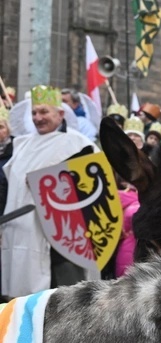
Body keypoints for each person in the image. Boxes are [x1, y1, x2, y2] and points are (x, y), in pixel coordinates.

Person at [1, 85, 98, 297]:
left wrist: (49, 179)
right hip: (21, 232)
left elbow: (89, 184)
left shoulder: (78, 144)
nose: (38, 118)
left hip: (62, 239)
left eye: (44, 111)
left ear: (60, 113)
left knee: (61, 297)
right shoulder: (22, 145)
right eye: (34, 113)